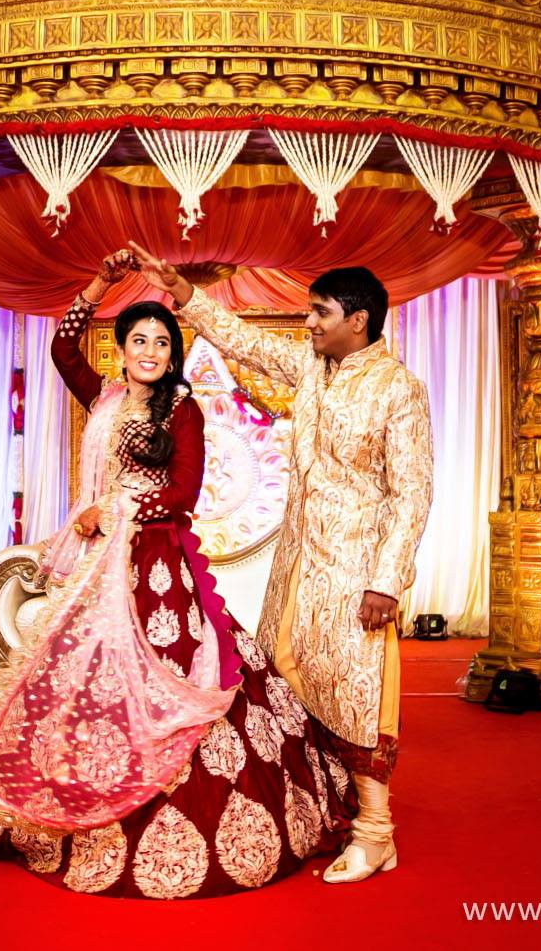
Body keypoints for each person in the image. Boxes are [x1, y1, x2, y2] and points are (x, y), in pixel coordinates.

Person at [0, 251, 354, 898]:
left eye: (161, 341)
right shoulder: (105, 397)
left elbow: (181, 493)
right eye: (138, 339)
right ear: (120, 349)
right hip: (102, 564)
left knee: (174, 680)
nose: (150, 349)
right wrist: (98, 284)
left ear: (173, 353)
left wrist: (111, 508)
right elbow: (64, 348)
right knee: (77, 685)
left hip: (156, 567)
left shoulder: (182, 410)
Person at [128, 244, 434, 885]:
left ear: (359, 319)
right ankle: (324, 814)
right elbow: (240, 341)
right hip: (298, 566)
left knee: (358, 698)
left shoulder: (397, 389)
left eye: (320, 313)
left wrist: (387, 580)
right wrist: (182, 293)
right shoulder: (312, 369)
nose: (309, 324)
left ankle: (376, 835)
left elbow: (413, 493)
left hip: (357, 576)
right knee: (290, 686)